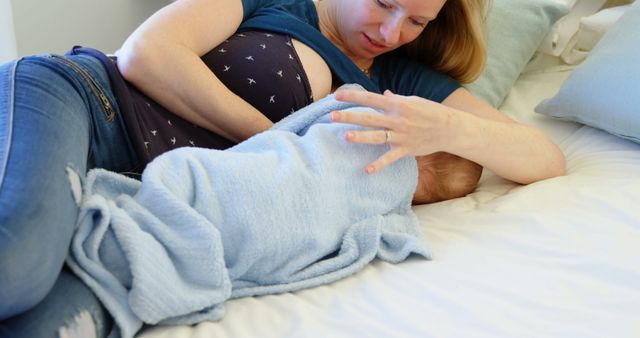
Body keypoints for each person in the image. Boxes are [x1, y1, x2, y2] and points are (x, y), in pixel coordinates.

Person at [0, 0, 565, 336]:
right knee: (21, 266)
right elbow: (146, 53)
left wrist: (445, 126)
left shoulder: (404, 81)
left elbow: (545, 157)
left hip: (135, 204)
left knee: (48, 325)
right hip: (80, 105)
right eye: (384, 2)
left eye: (417, 20)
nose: (393, 32)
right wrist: (278, 145)